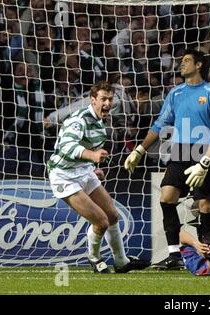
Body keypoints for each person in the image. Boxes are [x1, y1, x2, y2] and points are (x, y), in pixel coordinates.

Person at [124, 48, 210, 270]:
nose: (181, 65)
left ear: (199, 65)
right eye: (181, 61)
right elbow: (161, 123)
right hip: (180, 150)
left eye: (187, 61)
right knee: (166, 197)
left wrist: (206, 161)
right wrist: (140, 150)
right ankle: (174, 255)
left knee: (204, 205)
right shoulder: (176, 93)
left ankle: (207, 253)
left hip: (204, 149)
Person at [47, 81, 150, 273]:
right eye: (103, 99)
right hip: (64, 176)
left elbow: (87, 150)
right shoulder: (78, 120)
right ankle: (94, 258)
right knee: (101, 222)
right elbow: (66, 147)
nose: (108, 103)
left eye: (110, 99)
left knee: (113, 215)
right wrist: (93, 156)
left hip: (83, 171)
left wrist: (92, 167)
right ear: (93, 100)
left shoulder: (100, 124)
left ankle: (121, 262)